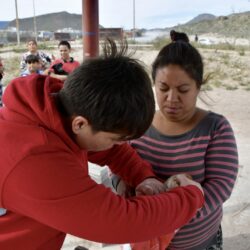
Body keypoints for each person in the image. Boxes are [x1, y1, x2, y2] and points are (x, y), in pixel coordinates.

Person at [0, 39, 204, 250]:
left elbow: (113, 152)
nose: (117, 145)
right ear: (80, 124)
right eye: (114, 138)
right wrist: (191, 195)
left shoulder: (61, 106)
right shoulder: (34, 160)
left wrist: (144, 176)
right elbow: (121, 222)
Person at [114, 40, 238, 250]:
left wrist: (171, 215)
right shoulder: (138, 125)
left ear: (198, 87)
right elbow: (118, 163)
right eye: (163, 88)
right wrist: (121, 186)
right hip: (145, 237)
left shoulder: (215, 128)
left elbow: (221, 186)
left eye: (183, 89)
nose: (171, 98)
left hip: (197, 243)